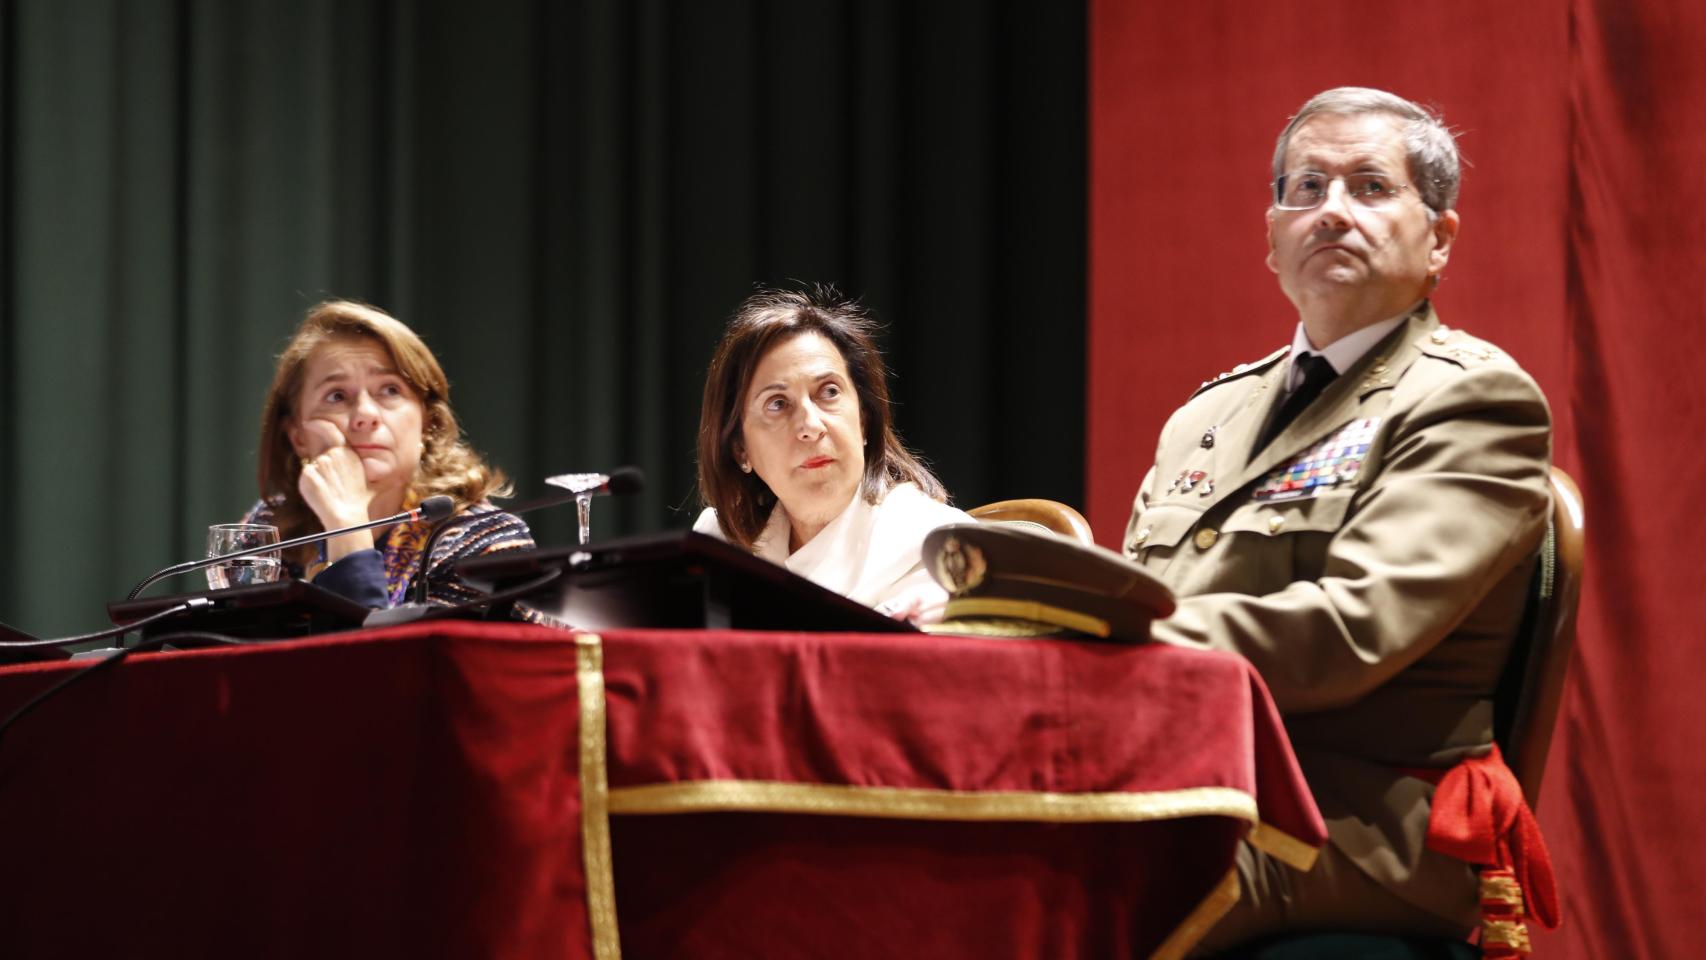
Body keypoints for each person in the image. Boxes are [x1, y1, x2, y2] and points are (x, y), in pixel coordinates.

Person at [1121, 88, 1555, 951]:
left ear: (1439, 238)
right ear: (1272, 236)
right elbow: (1145, 589)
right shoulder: (1208, 415)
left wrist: (1116, 645)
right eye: (1307, 187)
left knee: (1054, 886)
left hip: (1355, 825)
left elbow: (1355, 628)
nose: (1331, 210)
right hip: (1197, 784)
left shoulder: (1473, 399)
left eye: (1371, 186)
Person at [694, 286, 974, 622]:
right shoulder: (719, 545)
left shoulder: (940, 546)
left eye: (828, 392)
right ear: (741, 449)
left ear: (864, 420)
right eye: (778, 404)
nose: (810, 426)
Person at [244, 300, 534, 608]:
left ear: (426, 423)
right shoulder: (271, 530)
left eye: (390, 390)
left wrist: (347, 522)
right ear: (298, 436)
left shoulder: (484, 541)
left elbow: (383, 643)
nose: (365, 414)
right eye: (337, 396)